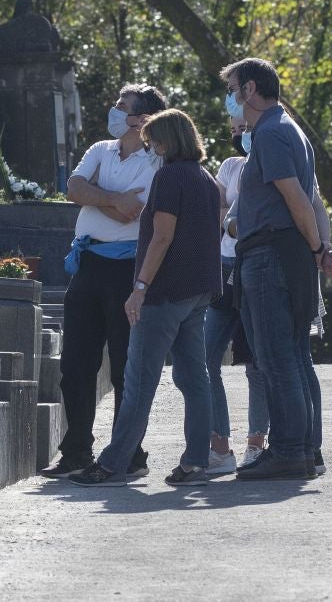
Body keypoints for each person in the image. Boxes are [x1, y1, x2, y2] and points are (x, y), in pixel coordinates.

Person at [69, 109, 223, 487]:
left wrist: (139, 288)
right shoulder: (205, 178)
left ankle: (112, 463)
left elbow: (162, 237)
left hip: (165, 292)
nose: (150, 148)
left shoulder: (169, 177)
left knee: (139, 380)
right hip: (199, 289)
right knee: (194, 376)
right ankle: (197, 462)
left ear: (168, 141)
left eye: (154, 141)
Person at [220, 58, 332, 481]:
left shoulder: (270, 133)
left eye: (233, 89)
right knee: (293, 356)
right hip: (281, 252)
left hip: (271, 255)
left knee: (276, 357)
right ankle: (305, 449)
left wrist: (314, 248)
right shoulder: (287, 129)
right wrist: (316, 248)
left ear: (250, 90)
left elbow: (296, 198)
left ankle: (290, 450)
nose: (230, 99)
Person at [39, 84, 168, 478]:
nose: (114, 111)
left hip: (129, 269)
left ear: (141, 118)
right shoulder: (100, 150)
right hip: (87, 264)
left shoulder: (157, 161)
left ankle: (127, 453)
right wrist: (111, 199)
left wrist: (98, 198)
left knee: (125, 367)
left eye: (122, 106)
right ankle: (76, 451)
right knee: (76, 363)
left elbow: (137, 211)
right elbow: (74, 189)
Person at [204, 116, 269, 474]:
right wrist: (230, 221)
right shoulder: (230, 165)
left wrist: (230, 219)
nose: (238, 135)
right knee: (205, 358)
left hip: (257, 265)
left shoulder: (274, 163)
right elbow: (218, 210)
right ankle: (219, 447)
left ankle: (256, 443)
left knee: (255, 363)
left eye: (243, 128)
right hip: (225, 266)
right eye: (232, 130)